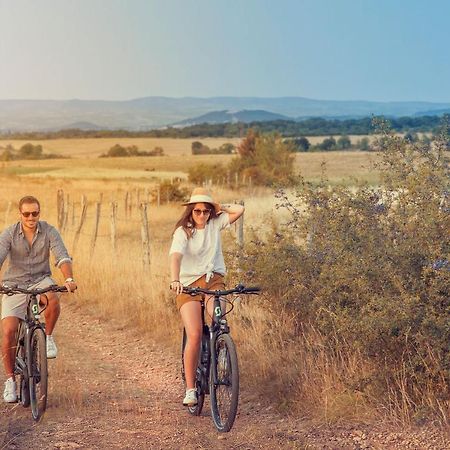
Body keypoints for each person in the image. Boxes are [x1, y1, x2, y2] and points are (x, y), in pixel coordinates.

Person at [169, 187, 244, 407]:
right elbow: (175, 257)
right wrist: (175, 280)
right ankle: (191, 388)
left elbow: (240, 209)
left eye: (206, 211)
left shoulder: (215, 223)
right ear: (191, 211)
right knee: (193, 334)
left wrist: (219, 208)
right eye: (197, 211)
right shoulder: (183, 232)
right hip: (188, 284)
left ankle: (221, 356)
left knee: (219, 320)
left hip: (213, 281)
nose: (202, 215)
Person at [0, 196, 77, 403]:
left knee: (52, 298)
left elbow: (62, 256)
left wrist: (68, 278)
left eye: (35, 213)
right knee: (8, 330)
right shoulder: (9, 234)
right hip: (13, 284)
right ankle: (10, 382)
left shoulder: (49, 231)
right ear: (20, 214)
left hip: (40, 279)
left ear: (39, 213)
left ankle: (48, 338)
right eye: (27, 214)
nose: (31, 217)